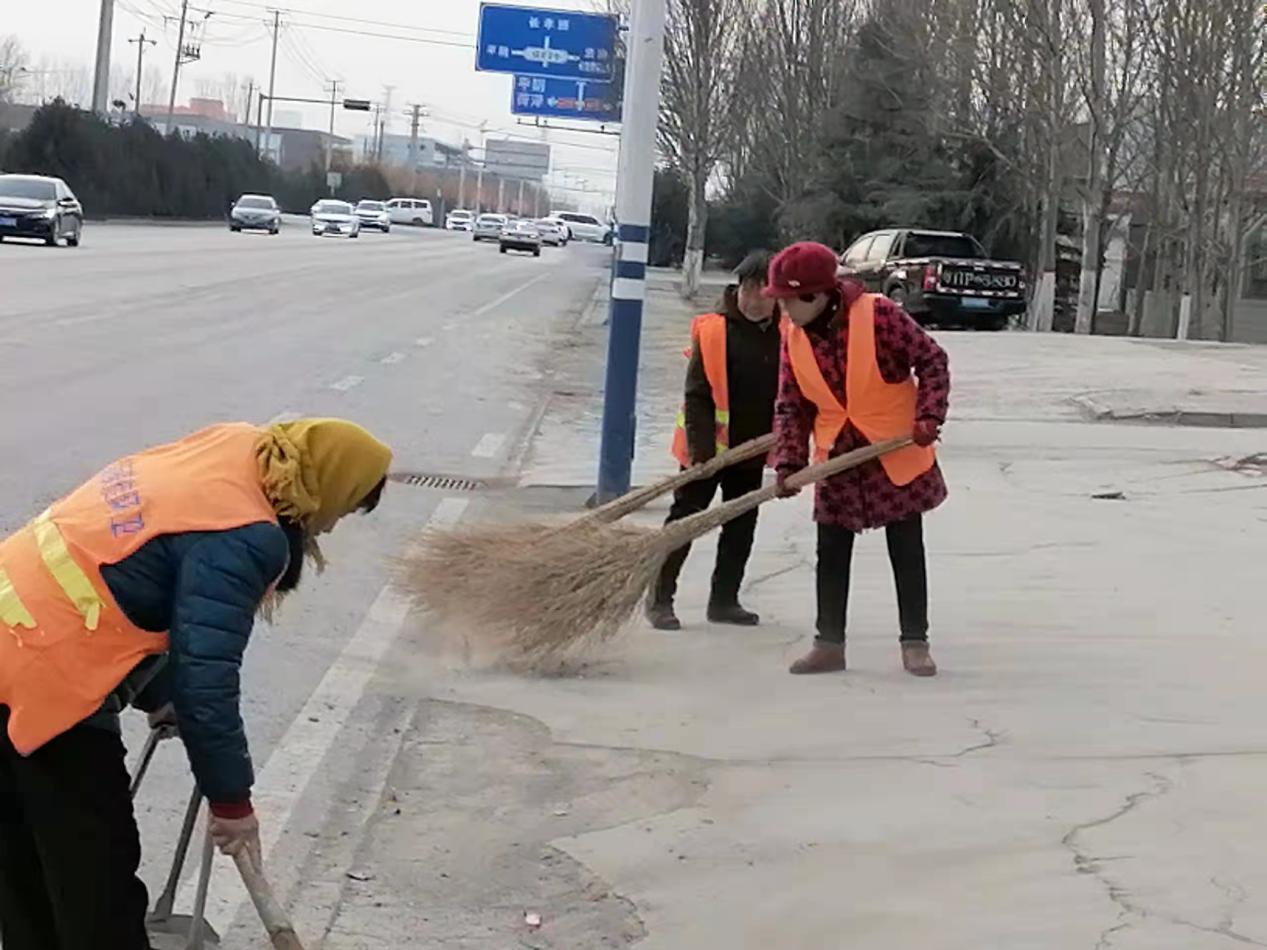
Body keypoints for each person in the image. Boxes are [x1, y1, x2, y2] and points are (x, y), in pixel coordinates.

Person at [0, 418, 392, 949]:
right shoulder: (248, 535)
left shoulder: (231, 449)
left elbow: (144, 572)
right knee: (97, 882)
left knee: (26, 871)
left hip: (12, 625)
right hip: (41, 677)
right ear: (333, 483)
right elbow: (207, 680)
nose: (328, 527)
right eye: (343, 510)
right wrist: (233, 805)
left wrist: (161, 695)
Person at [764, 241, 949, 677]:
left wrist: (929, 415)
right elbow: (791, 404)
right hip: (838, 455)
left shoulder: (879, 314)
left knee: (906, 548)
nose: (784, 310)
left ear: (816, 296)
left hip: (896, 450)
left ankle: (914, 642)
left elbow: (932, 361)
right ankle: (829, 644)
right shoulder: (793, 336)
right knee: (830, 550)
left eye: (788, 300)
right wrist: (789, 462)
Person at [647, 250, 781, 630]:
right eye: (759, 292)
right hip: (706, 450)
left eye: (771, 294)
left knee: (741, 524)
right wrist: (702, 453)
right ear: (744, 288)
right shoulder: (713, 330)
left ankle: (724, 600)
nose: (764, 302)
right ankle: (660, 598)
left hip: (753, 449)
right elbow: (697, 395)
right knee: (684, 522)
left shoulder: (784, 332)